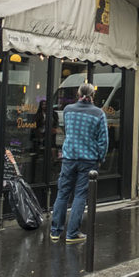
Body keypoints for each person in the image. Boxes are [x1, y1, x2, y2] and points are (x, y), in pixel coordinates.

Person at [50, 83, 109, 244]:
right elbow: (103, 141)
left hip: (69, 157)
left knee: (62, 193)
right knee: (80, 195)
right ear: (92, 96)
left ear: (78, 94)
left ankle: (55, 231)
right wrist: (100, 159)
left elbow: (67, 131)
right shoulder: (99, 114)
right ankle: (72, 233)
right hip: (88, 160)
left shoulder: (68, 110)